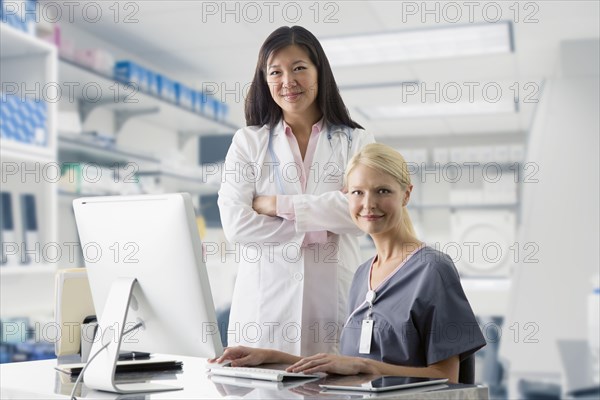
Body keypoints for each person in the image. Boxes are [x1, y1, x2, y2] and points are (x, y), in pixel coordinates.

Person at [212, 144, 486, 383]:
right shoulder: (362, 274)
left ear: (406, 194)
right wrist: (270, 357)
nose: (369, 204)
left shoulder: (432, 269)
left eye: (382, 191)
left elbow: (447, 377)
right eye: (357, 192)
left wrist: (366, 366)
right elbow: (347, 369)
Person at [217, 26, 375, 356]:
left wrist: (277, 204)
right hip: (265, 312)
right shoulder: (248, 143)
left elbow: (361, 214)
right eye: (276, 72)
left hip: (333, 303)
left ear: (320, 71)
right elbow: (236, 225)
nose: (288, 81)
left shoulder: (356, 141)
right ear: (265, 80)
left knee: (333, 385)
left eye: (299, 68)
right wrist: (320, 223)